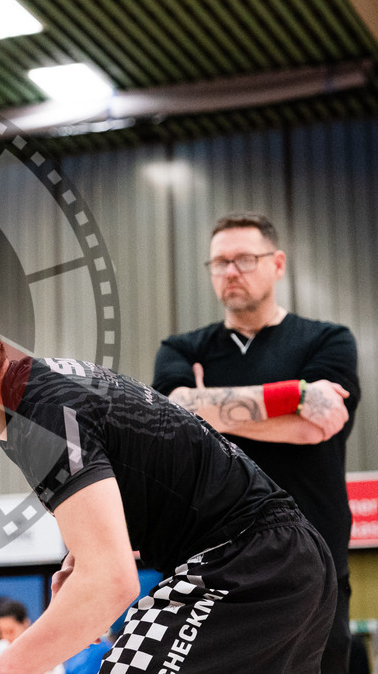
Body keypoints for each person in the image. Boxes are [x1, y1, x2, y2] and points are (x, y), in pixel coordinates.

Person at [0, 289, 337, 673]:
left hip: (247, 564)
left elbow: (112, 582)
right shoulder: (43, 387)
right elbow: (143, 456)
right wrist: (90, 549)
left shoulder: (40, 418)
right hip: (284, 560)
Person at [153, 211, 359, 673]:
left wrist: (207, 412)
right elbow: (173, 412)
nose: (230, 272)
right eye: (219, 263)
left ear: (278, 263)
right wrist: (295, 396)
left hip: (315, 555)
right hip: (216, 560)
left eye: (244, 259)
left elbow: (319, 426)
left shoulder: (327, 340)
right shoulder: (182, 349)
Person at [0, 598, 62, 674]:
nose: (5, 637)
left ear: (25, 623)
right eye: (1, 632)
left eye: (10, 631)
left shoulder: (46, 650)